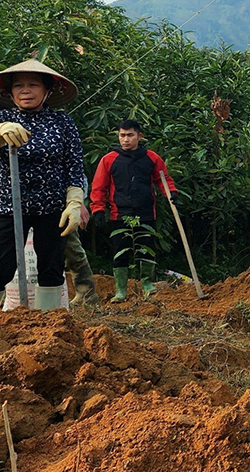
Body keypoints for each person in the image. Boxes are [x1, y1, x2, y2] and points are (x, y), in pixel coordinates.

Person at [0, 59, 86, 310]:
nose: (25, 90)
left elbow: (74, 165)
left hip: (51, 208)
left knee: (51, 265)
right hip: (8, 206)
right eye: (18, 85)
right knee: (2, 263)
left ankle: (49, 323)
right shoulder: (3, 118)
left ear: (48, 90)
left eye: (33, 84)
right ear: (10, 91)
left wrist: (74, 202)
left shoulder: (62, 123)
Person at [90, 119, 177, 301]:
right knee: (121, 251)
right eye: (122, 135)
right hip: (120, 214)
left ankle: (146, 283)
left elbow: (163, 179)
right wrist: (98, 210)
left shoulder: (152, 158)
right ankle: (120, 290)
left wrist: (172, 194)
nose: (126, 139)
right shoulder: (109, 160)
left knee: (146, 248)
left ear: (139, 136)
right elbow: (99, 187)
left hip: (145, 212)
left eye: (130, 135)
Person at [65, 204, 100, 306]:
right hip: (21, 206)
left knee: (71, 247)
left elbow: (76, 188)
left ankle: (86, 292)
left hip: (59, 204)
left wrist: (78, 204)